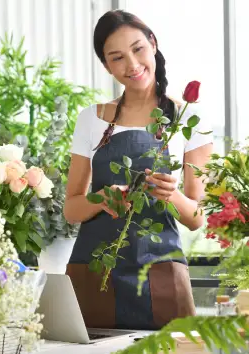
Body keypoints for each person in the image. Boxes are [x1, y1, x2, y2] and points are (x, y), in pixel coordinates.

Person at [63, 10, 213, 330]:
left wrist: (170, 195)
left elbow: (196, 217)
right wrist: (101, 199)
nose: (131, 64)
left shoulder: (188, 121)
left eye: (137, 49)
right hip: (94, 270)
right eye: (117, 57)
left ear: (153, 44)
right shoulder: (91, 119)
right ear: (107, 66)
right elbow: (71, 209)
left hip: (160, 273)